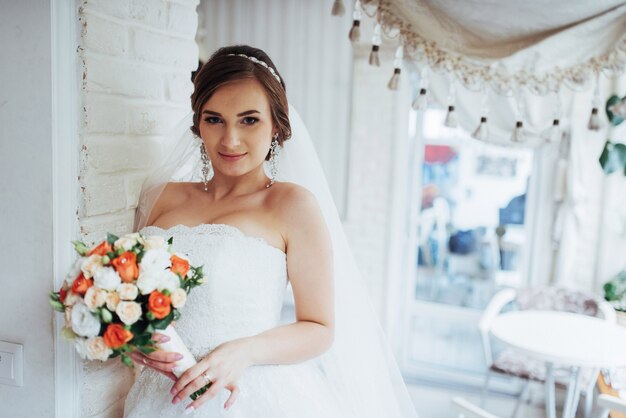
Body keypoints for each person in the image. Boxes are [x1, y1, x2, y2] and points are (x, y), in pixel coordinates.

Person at [124, 45, 418, 417]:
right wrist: (134, 338)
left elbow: (319, 327)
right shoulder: (160, 196)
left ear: (276, 125)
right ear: (198, 123)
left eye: (249, 120)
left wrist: (244, 351)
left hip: (246, 397)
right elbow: (135, 297)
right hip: (157, 398)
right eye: (214, 119)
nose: (230, 140)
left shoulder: (293, 206)